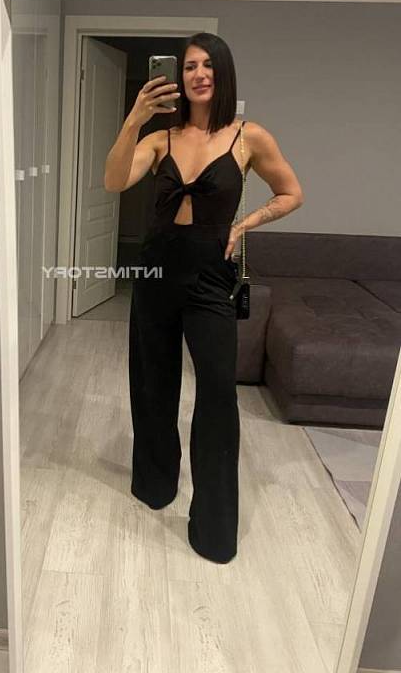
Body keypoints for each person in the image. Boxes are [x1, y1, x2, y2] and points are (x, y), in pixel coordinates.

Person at [104, 32, 304, 563]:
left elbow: (292, 193)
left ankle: (213, 528)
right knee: (153, 384)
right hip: (156, 273)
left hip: (212, 280)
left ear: (223, 73)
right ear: (180, 75)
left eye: (208, 65)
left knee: (216, 396)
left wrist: (246, 223)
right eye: (190, 66)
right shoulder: (161, 138)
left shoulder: (248, 136)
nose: (198, 74)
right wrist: (134, 118)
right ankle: (155, 485)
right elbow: (114, 180)